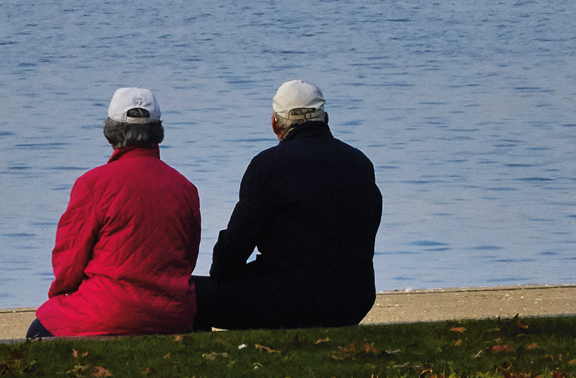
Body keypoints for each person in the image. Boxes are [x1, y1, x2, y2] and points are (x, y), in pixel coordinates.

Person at [192, 80, 382, 331]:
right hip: (353, 300)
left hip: (287, 300)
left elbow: (236, 245)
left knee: (188, 294)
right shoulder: (360, 163)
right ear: (325, 119)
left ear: (275, 124)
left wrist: (221, 273)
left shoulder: (268, 165)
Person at [28, 88, 200, 340]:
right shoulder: (185, 187)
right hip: (171, 314)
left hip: (108, 311)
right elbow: (188, 256)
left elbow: (69, 260)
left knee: (39, 329)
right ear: (157, 131)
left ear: (111, 131)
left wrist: (61, 294)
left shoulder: (93, 184)